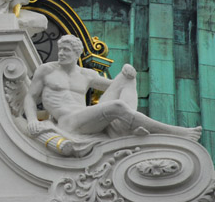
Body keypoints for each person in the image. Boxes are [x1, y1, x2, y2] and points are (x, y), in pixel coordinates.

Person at [24, 35, 202, 142]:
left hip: (85, 117)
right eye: (60, 49)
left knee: (127, 76)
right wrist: (32, 119)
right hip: (68, 122)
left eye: (66, 50)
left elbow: (114, 84)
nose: (61, 53)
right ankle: (175, 132)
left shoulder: (87, 74)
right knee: (117, 106)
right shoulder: (46, 70)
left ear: (77, 54)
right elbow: (31, 98)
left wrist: (128, 72)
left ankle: (124, 127)